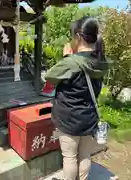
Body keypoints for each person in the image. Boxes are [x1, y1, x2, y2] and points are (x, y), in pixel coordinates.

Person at [45, 16, 111, 180]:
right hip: (89, 117)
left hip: (69, 118)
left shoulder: (72, 62)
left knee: (69, 157)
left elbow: (49, 76)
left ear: (78, 37)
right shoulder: (100, 61)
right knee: (85, 156)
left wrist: (67, 57)